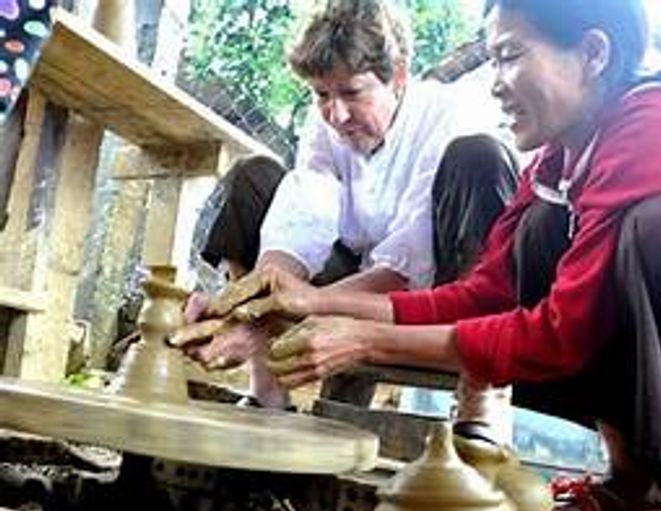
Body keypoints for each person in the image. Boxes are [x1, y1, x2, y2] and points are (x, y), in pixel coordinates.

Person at [174, 0, 661, 511]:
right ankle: (631, 487)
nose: (496, 81)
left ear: (593, 54)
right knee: (539, 237)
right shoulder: (559, 162)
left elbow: (559, 336)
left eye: (510, 56)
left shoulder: (657, 127)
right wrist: (311, 300)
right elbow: (485, 292)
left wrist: (364, 341)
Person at [186, 0, 518, 415]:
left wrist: (279, 315)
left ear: (397, 76)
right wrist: (248, 304)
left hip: (433, 290)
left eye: (352, 92)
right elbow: (304, 212)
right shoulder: (324, 121)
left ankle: (479, 399)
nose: (336, 114)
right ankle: (266, 391)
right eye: (321, 94)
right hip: (349, 279)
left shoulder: (447, 115)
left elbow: (407, 266)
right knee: (252, 178)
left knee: (480, 156)